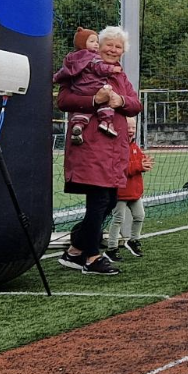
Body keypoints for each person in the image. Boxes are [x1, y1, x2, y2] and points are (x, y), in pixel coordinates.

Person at [55, 26, 142, 275]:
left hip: (115, 148)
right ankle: (91, 258)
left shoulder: (119, 76)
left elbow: (136, 104)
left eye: (118, 47)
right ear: (98, 46)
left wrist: (120, 101)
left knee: (110, 200)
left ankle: (75, 249)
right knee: (99, 200)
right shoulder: (78, 68)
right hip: (90, 146)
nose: (113, 50)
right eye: (109, 45)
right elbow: (63, 101)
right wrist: (96, 101)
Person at [52, 28, 121, 142]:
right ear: (82, 43)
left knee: (83, 111)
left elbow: (63, 72)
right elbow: (100, 68)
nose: (96, 44)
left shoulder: (71, 59)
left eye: (97, 42)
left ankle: (78, 125)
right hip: (95, 88)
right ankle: (106, 122)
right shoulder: (93, 57)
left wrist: (54, 78)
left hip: (79, 91)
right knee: (106, 103)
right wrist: (112, 68)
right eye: (92, 41)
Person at [103, 116, 153, 258]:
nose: (131, 130)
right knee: (118, 219)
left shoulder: (135, 147)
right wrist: (139, 166)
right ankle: (111, 248)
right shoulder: (116, 146)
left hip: (134, 192)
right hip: (120, 192)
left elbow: (138, 165)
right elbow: (119, 169)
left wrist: (145, 164)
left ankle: (133, 240)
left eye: (133, 128)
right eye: (128, 128)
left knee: (140, 216)